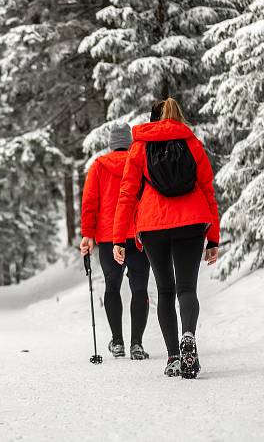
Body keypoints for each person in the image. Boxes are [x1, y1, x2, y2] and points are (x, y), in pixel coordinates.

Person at [112, 97, 220, 379]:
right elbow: (208, 190)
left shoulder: (140, 147)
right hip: (192, 222)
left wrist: (118, 239)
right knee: (187, 290)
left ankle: (173, 356)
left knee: (165, 291)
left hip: (153, 224)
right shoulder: (192, 143)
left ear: (152, 118)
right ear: (177, 116)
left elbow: (127, 194)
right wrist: (214, 238)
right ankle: (188, 336)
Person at [80, 124, 151, 360]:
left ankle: (118, 342)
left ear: (111, 144)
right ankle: (137, 345)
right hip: (139, 234)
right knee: (139, 287)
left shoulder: (99, 166)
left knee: (112, 286)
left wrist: (87, 235)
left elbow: (90, 203)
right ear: (129, 142)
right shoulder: (139, 162)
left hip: (110, 237)